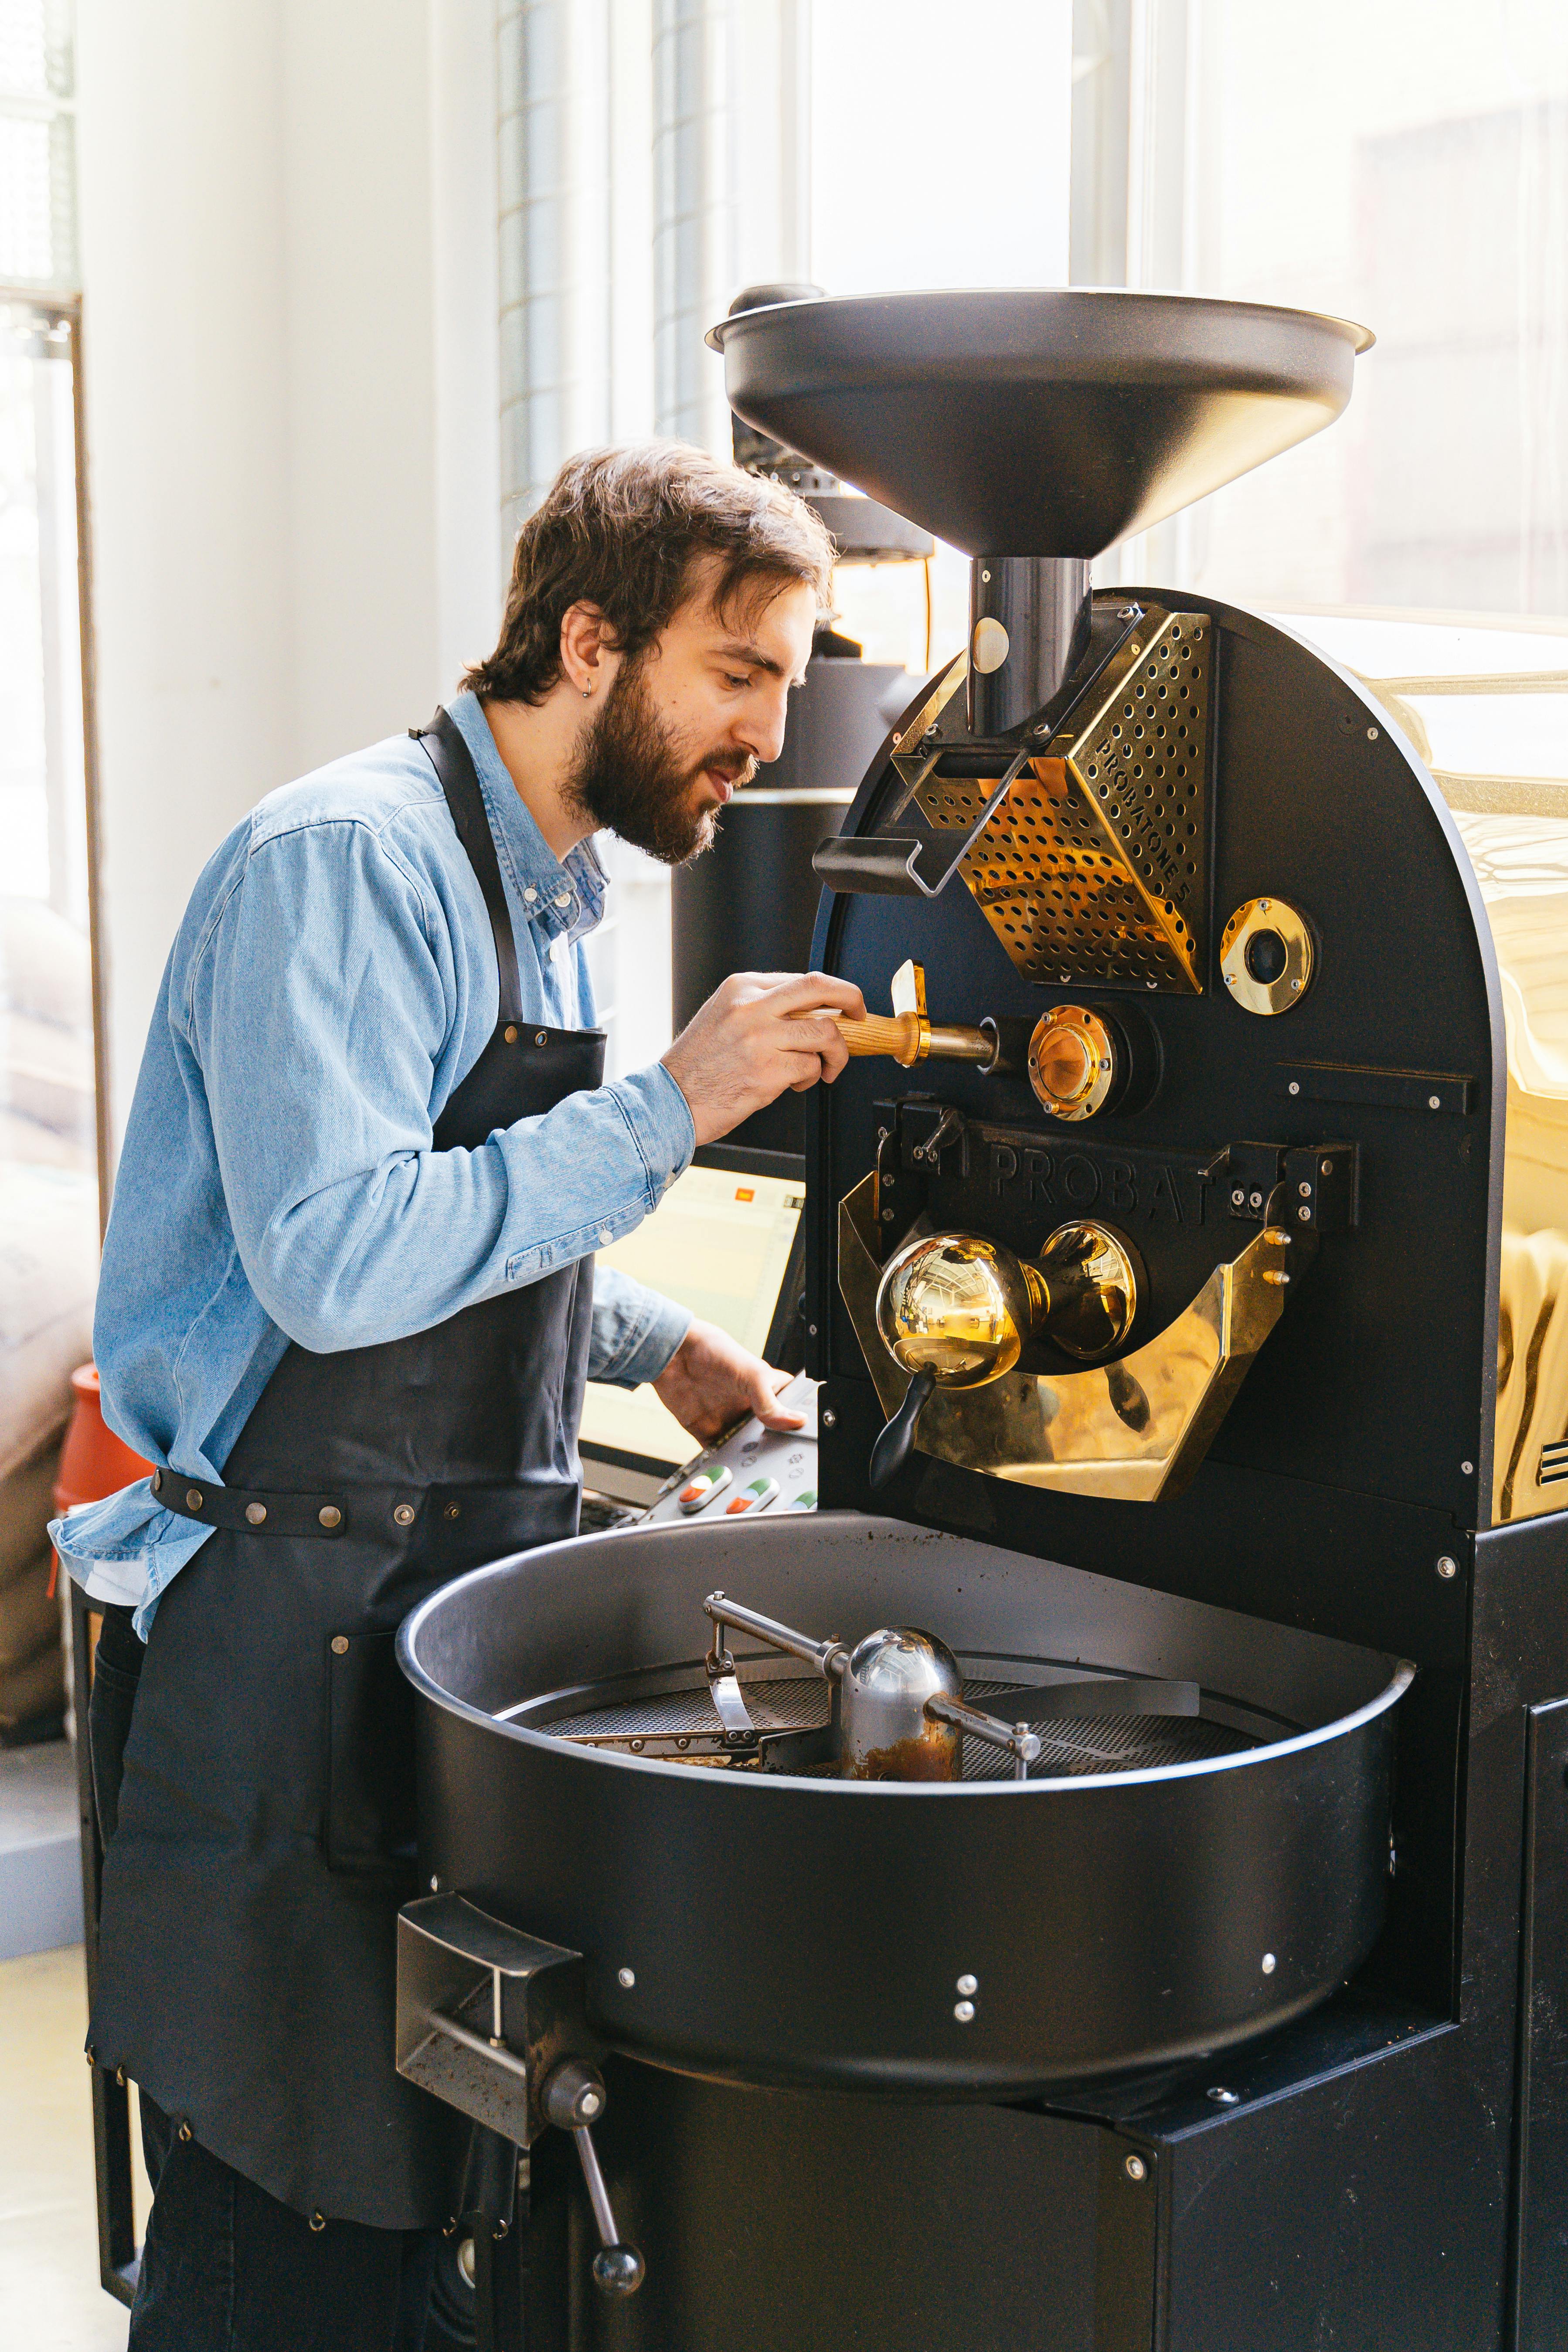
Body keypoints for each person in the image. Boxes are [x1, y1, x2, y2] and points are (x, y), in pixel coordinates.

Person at [51, 440, 865, 2349]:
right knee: (283, 2208)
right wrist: (669, 1107)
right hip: (271, 1638)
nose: (768, 732)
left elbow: (463, 1205)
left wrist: (655, 1340)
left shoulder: (552, 887)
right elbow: (336, 1258)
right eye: (738, 671)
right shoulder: (348, 861)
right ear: (589, 641)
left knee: (417, 2203)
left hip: (417, 1611)